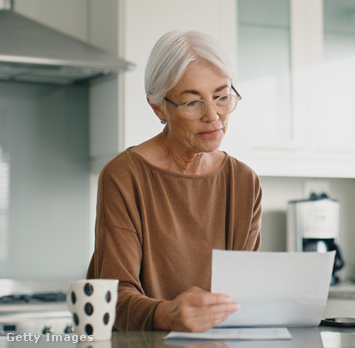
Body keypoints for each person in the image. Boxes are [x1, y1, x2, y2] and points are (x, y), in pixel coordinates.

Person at [87, 30, 262, 332]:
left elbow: (244, 295)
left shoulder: (244, 181)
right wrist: (166, 314)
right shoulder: (124, 176)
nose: (213, 116)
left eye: (222, 97)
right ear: (158, 106)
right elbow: (112, 299)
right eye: (193, 102)